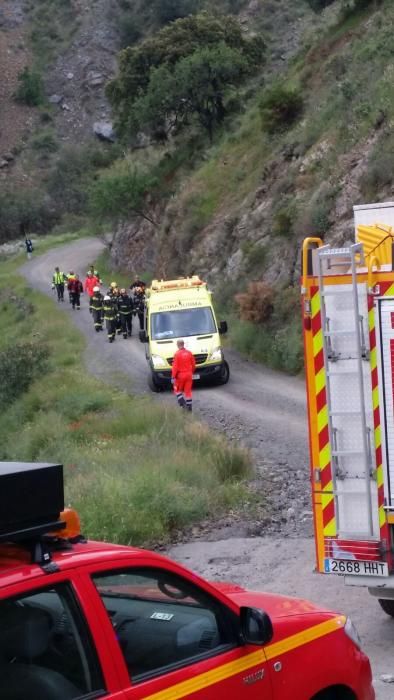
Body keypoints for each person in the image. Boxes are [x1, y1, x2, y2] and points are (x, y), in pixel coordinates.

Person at [171, 339, 195, 412]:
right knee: (188, 392)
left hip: (180, 375)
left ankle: (183, 404)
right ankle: (189, 409)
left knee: (177, 389)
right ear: (183, 344)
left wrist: (173, 377)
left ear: (178, 345)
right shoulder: (189, 353)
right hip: (189, 374)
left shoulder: (177, 354)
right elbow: (193, 365)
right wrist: (191, 372)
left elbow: (175, 367)